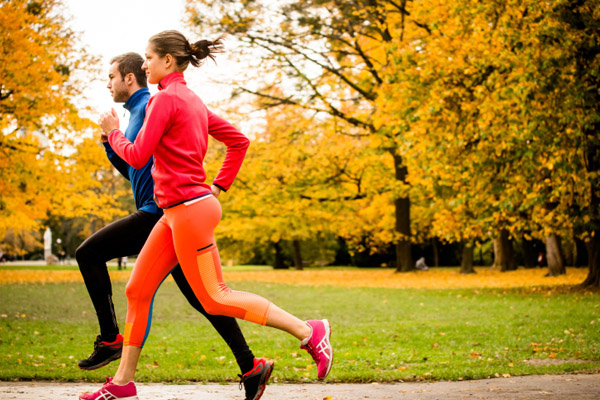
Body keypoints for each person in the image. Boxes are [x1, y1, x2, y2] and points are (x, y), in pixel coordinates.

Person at [83, 30, 333, 400]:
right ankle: (122, 385)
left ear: (167, 61)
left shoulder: (164, 100)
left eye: (149, 58)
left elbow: (136, 156)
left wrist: (113, 134)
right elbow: (239, 141)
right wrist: (219, 185)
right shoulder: (192, 101)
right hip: (177, 211)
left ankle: (309, 332)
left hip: (187, 212)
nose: (146, 64)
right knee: (137, 290)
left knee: (215, 297)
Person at [76, 52, 273, 400]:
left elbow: (144, 160)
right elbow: (137, 171)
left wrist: (214, 185)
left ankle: (110, 339)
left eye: (111, 77)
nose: (107, 84)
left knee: (89, 253)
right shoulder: (136, 112)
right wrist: (111, 142)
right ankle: (250, 366)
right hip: (166, 214)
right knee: (205, 299)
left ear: (129, 78)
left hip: (161, 214)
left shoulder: (154, 105)